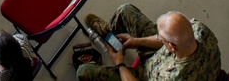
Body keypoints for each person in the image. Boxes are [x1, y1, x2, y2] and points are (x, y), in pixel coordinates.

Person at [77, 7, 220, 81]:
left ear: (171, 46)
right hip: (158, 57)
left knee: (83, 72)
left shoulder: (177, 77)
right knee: (125, 11)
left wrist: (119, 64)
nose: (158, 37)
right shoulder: (200, 31)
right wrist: (136, 41)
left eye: (161, 37)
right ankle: (108, 31)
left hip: (144, 77)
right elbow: (163, 40)